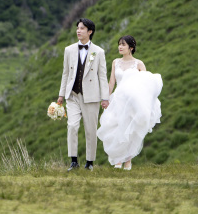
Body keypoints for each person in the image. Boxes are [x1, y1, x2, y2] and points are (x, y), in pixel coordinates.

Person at [97, 35, 162, 170]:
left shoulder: (139, 64)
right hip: (118, 100)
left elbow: (146, 84)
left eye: (123, 45)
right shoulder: (116, 62)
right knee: (116, 128)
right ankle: (118, 160)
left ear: (131, 48)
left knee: (130, 130)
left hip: (132, 102)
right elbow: (112, 82)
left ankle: (127, 161)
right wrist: (106, 98)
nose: (120, 47)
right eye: (119, 44)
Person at [57, 18, 109, 171]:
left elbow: (102, 76)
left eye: (82, 28)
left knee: (90, 130)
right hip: (72, 95)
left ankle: (89, 163)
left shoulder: (99, 52)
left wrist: (105, 97)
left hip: (91, 96)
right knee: (72, 126)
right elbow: (65, 74)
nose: (78, 31)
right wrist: (61, 95)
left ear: (90, 32)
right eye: (77, 28)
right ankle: (73, 161)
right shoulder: (69, 50)